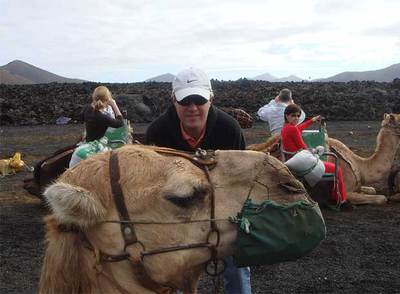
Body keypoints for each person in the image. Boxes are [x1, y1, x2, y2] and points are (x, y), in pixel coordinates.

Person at [145, 67, 250, 294]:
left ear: (211, 98)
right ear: (173, 100)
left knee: (237, 267)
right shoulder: (157, 132)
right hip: (177, 217)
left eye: (199, 100)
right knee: (171, 273)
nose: (192, 108)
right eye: (185, 101)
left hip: (223, 210)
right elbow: (154, 186)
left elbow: (240, 181)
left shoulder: (229, 129)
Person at [281, 104, 351, 209]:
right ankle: (341, 200)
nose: (296, 118)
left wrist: (312, 120)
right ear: (287, 116)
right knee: (337, 169)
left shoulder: (286, 128)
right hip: (301, 162)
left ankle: (334, 196)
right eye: (293, 116)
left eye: (298, 116)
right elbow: (303, 148)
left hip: (293, 159)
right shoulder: (292, 129)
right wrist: (316, 150)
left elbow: (299, 128)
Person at [69, 86, 125, 167]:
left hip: (87, 141)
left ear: (93, 97)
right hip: (96, 145)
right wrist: (114, 105)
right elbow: (120, 123)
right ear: (107, 99)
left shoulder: (87, 109)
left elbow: (80, 117)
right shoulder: (102, 117)